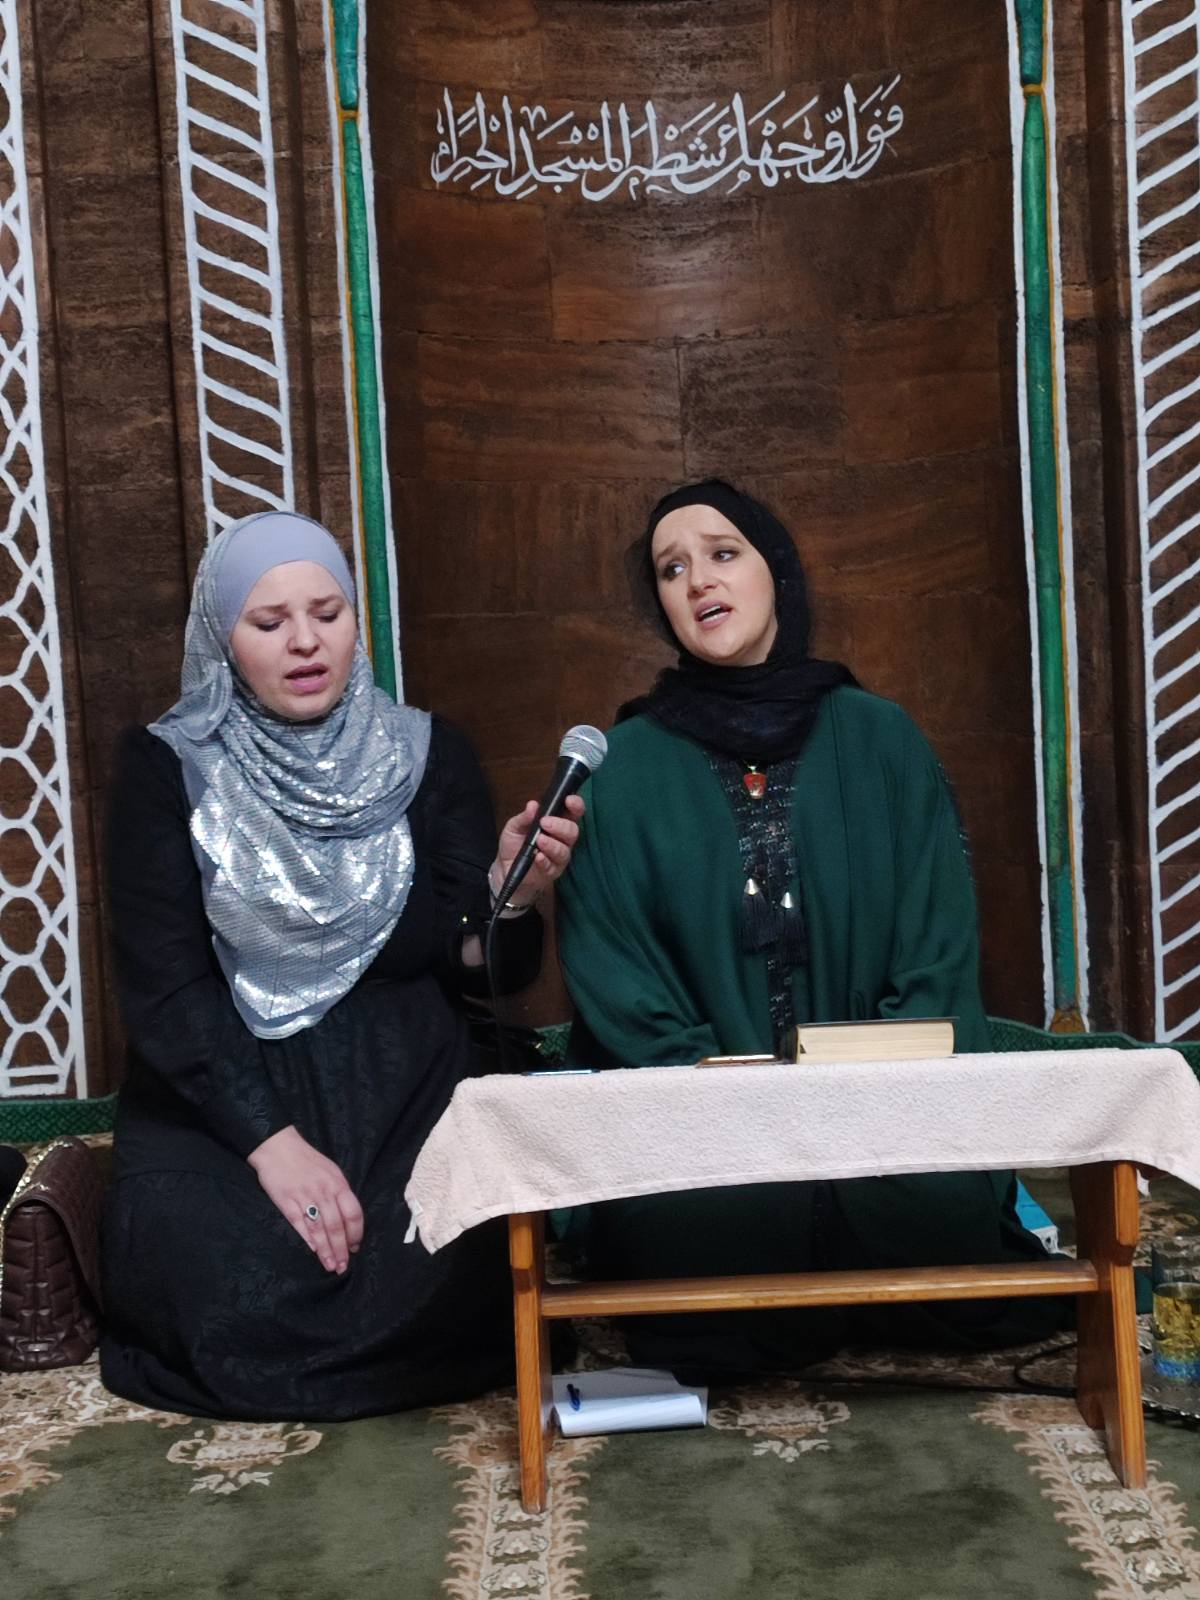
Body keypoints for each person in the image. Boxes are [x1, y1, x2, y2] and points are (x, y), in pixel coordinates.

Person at [555, 479, 1066, 1374]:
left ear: (777, 573)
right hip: (705, 1132)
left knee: (930, 1214)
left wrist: (855, 1107)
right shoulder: (621, 768)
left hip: (887, 1119)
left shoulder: (882, 739)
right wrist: (738, 1105)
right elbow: (617, 977)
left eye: (723, 554)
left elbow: (937, 948)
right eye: (671, 570)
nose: (698, 582)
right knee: (713, 1229)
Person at [100, 510, 581, 1420]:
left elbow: (478, 967)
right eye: (269, 621)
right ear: (222, 638)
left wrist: (508, 897)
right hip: (229, 1098)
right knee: (227, 1280)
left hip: (408, 1087)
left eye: (328, 613)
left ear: (357, 620)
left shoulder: (428, 753)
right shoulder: (167, 767)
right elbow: (166, 989)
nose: (305, 641)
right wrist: (273, 1148)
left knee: (438, 1268)